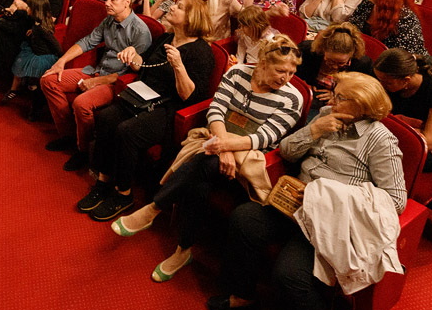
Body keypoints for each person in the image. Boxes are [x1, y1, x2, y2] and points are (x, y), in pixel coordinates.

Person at [209, 72, 405, 310]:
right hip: (293, 204)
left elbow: (395, 200)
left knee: (289, 274)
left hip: (328, 221)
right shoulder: (326, 115)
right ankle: (244, 296)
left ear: (361, 105)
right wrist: (314, 130)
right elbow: (287, 152)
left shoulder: (379, 139)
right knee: (244, 219)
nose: (332, 100)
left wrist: (328, 193)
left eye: (340, 97)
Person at [110, 37, 303, 281]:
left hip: (251, 159)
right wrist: (223, 148)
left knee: (204, 162)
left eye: (291, 72)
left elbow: (265, 137)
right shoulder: (237, 73)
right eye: (280, 71)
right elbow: (216, 110)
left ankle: (154, 208)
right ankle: (182, 251)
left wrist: (223, 146)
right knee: (200, 178)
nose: (286, 78)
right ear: (263, 63)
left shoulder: (292, 98)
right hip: (216, 142)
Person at [78, 0, 217, 224]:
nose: (172, 7)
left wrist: (179, 66)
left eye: (180, 7)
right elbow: (143, 66)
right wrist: (132, 55)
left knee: (126, 131)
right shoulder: (167, 37)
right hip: (143, 95)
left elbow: (189, 97)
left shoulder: (201, 52)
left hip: (169, 108)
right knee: (106, 117)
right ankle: (103, 182)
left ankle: (123, 194)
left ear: (191, 18)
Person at [39, 0, 152, 171]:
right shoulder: (109, 20)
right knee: (49, 80)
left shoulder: (140, 31)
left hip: (116, 82)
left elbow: (136, 73)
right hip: (97, 70)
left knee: (81, 104)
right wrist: (62, 61)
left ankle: (84, 150)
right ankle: (69, 135)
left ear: (127, 2)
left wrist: (97, 81)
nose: (106, 3)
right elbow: (87, 42)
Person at [373, 47, 432, 162]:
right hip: (407, 133)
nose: (381, 85)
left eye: (387, 83)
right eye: (379, 79)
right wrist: (416, 131)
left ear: (406, 80)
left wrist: (391, 125)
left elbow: (429, 142)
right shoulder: (386, 80)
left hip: (421, 146)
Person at [295, 22, 372, 115]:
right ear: (323, 50)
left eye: (341, 63)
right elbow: (291, 74)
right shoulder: (307, 51)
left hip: (336, 106)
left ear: (352, 55)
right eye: (330, 61)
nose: (334, 66)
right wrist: (302, 84)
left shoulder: (362, 65)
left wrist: (338, 95)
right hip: (303, 96)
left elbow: (363, 95)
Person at [348, 0, 428, 55]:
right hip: (364, 54)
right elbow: (351, 29)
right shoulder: (366, 4)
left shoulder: (405, 18)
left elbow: (404, 55)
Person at [6, 0, 63, 100]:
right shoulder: (36, 23)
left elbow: (56, 45)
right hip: (33, 49)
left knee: (35, 73)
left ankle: (35, 91)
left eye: (29, 7)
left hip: (42, 56)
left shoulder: (43, 29)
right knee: (19, 63)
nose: (26, 8)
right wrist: (33, 30)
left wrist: (61, 59)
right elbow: (36, 27)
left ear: (35, 10)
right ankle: (14, 89)